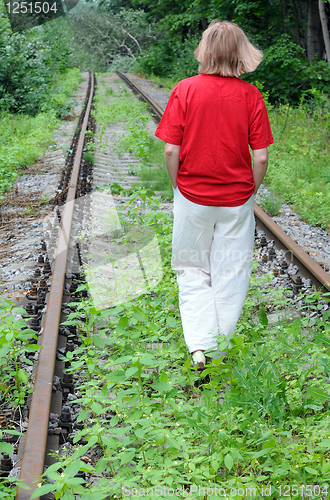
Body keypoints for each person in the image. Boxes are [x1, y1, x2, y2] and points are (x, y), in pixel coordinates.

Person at [155, 21, 274, 369]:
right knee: (231, 270)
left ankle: (199, 348)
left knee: (191, 268)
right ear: (241, 53)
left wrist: (179, 185)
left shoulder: (185, 90)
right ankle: (220, 345)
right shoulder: (251, 95)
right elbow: (262, 155)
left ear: (205, 50)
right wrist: (249, 190)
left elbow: (169, 150)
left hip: (192, 194)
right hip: (236, 200)